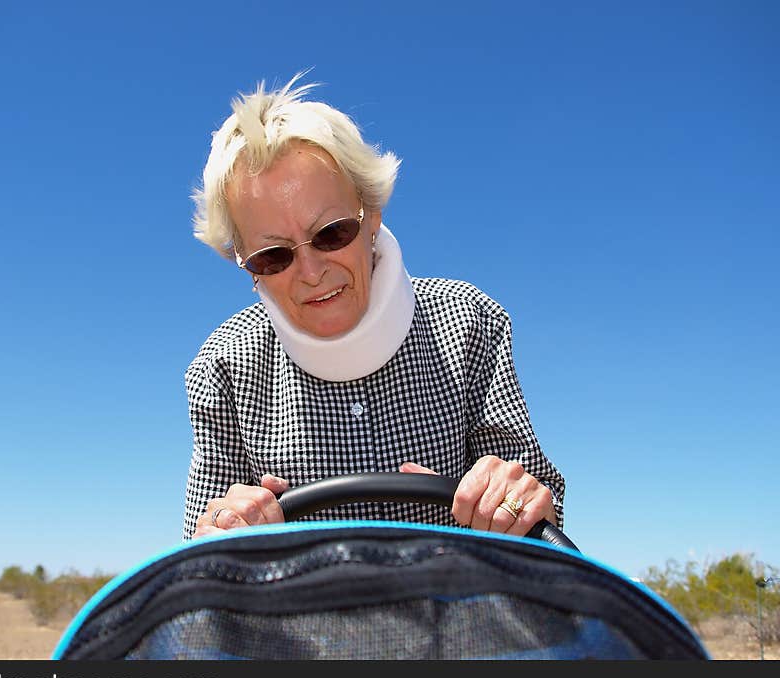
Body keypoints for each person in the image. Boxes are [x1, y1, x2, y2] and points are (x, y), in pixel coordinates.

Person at [183, 73, 565, 541]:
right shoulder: (223, 366)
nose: (310, 272)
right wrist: (224, 525)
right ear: (246, 266)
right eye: (273, 255)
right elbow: (198, 556)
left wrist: (513, 499)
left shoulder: (469, 322)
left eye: (331, 233)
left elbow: (543, 517)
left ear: (372, 215)